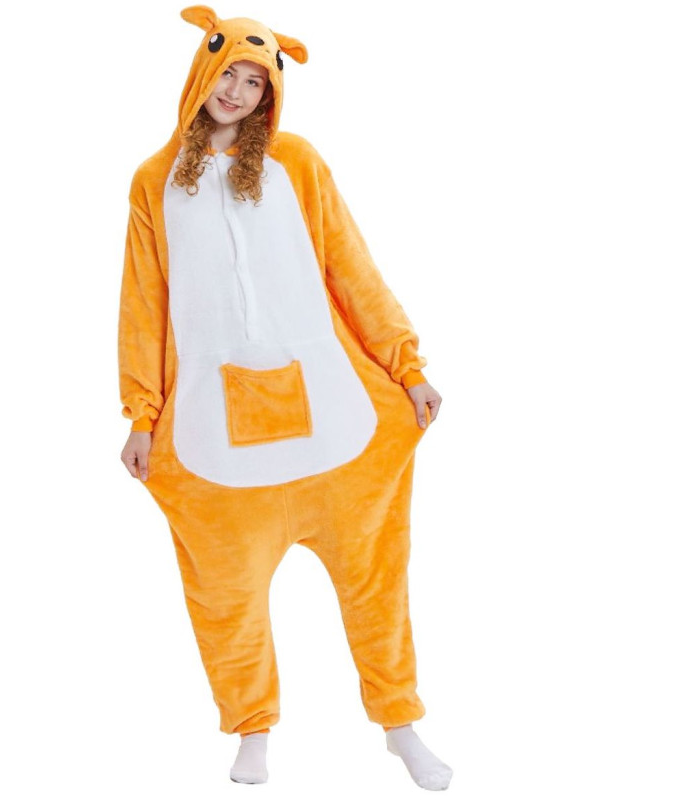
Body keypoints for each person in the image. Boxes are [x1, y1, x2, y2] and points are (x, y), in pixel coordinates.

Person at [117, 5, 452, 790]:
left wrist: (407, 367)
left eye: (255, 81)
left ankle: (399, 722)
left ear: (270, 94)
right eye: (228, 72)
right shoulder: (153, 182)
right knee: (225, 595)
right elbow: (143, 304)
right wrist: (141, 414)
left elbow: (351, 267)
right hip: (213, 432)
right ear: (202, 70)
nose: (237, 91)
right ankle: (252, 729)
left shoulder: (296, 163)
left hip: (333, 421)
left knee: (374, 580)